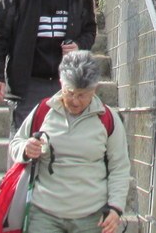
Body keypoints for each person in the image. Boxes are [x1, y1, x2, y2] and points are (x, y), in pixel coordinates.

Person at [10, 50, 130, 233]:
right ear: (61, 84)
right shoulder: (43, 111)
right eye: (70, 93)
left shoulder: (108, 119)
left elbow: (119, 167)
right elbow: (16, 143)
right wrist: (26, 149)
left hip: (92, 216)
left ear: (94, 89)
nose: (74, 101)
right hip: (44, 213)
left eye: (82, 95)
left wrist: (115, 207)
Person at [0, 0, 97, 131]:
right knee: (25, 146)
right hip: (27, 84)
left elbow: (89, 30)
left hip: (67, 84)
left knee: (63, 148)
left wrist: (79, 45)